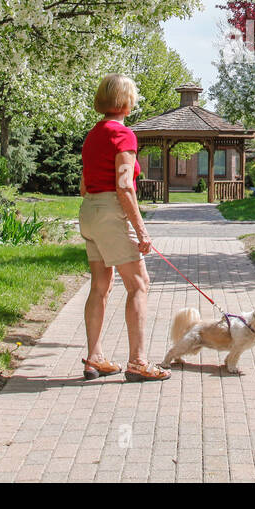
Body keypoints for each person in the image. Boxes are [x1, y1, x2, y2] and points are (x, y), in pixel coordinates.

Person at [77, 74, 170, 382]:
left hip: (89, 210)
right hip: (110, 214)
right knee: (139, 284)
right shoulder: (124, 135)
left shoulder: (92, 135)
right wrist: (141, 230)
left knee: (100, 286)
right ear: (125, 102)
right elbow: (123, 186)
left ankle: (95, 358)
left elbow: (82, 186)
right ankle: (139, 362)